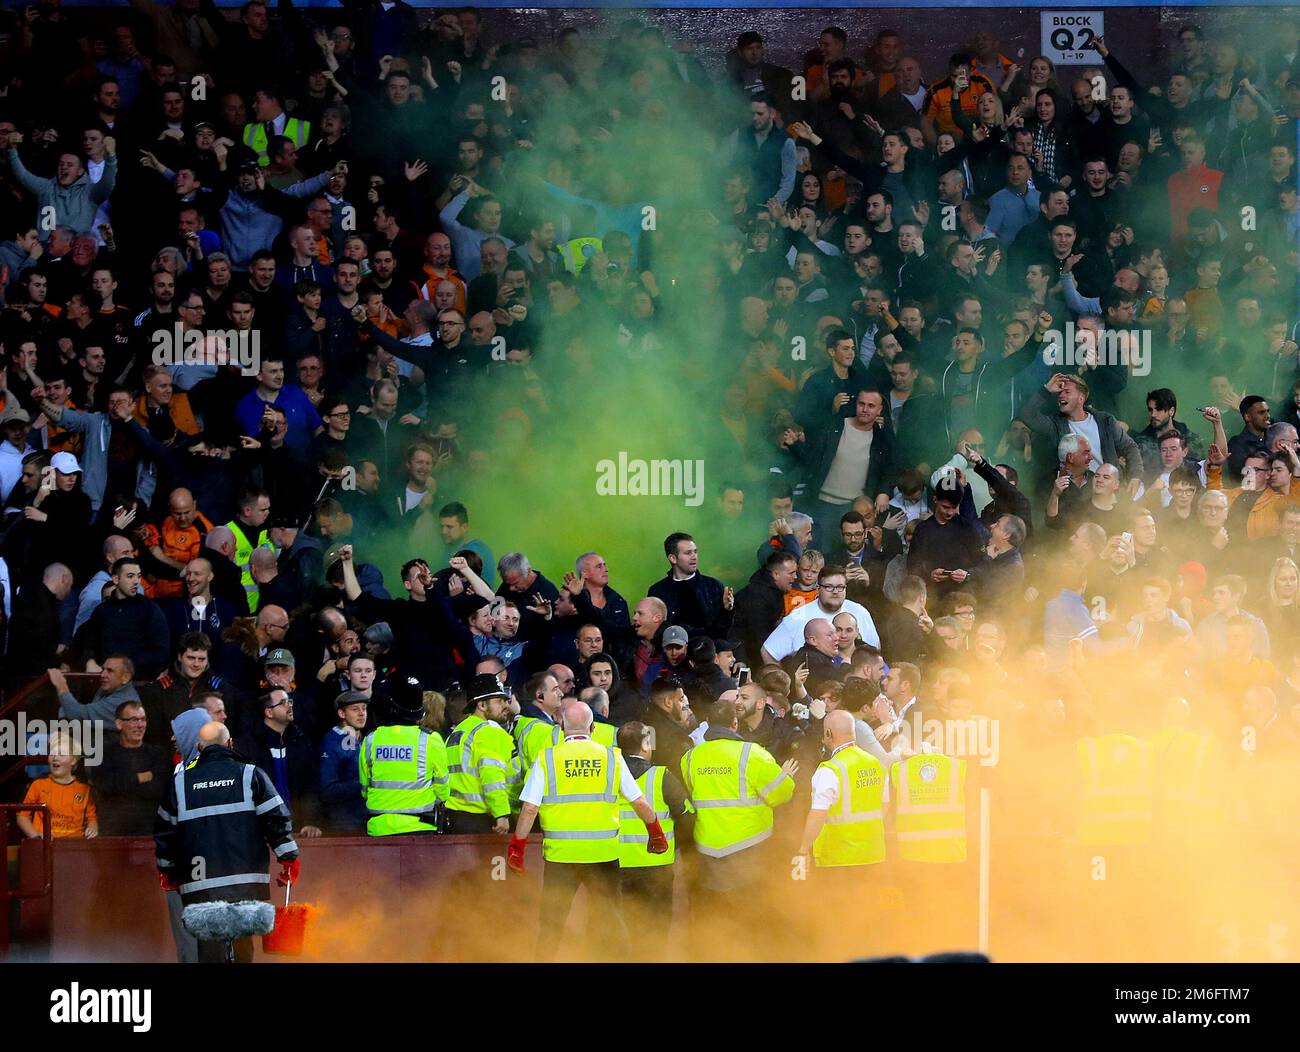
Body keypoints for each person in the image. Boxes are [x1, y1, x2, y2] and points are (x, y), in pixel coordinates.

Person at [507, 700, 666, 961]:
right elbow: (639, 801)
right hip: (603, 855)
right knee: (611, 921)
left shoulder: (548, 758)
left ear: (560, 727)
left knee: (552, 926)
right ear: (593, 728)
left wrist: (517, 848)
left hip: (561, 858)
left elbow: (529, 809)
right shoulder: (612, 757)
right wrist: (656, 833)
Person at [155, 721, 300, 964]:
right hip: (245, 880)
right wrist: (288, 858)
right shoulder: (250, 774)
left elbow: (164, 833)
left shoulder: (179, 783)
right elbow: (277, 818)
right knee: (243, 947)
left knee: (209, 950)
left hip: (200, 884)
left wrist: (167, 871)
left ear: (199, 747)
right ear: (230, 744)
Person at [680, 695, 797, 956]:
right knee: (752, 916)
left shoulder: (689, 758)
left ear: (709, 724)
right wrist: (785, 776)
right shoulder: (753, 754)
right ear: (735, 723)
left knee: (716, 919)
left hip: (708, 849)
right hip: (749, 849)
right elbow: (780, 794)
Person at [358, 678, 448, 836]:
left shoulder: (371, 739)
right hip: (420, 828)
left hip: (379, 828)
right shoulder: (431, 739)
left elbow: (365, 789)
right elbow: (443, 790)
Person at [442, 674, 516, 835]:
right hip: (480, 821)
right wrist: (502, 813)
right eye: (499, 700)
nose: (506, 705)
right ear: (482, 705)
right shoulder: (488, 731)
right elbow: (492, 776)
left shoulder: (459, 731)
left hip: (454, 818)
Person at [88, 700, 171, 836]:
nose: (140, 725)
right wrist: (141, 777)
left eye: (143, 720)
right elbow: (106, 786)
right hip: (112, 833)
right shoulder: (104, 754)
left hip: (149, 833)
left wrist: (123, 783)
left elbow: (158, 790)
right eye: (133, 720)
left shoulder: (158, 754)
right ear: (119, 724)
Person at [17, 742, 97, 840]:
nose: (55, 758)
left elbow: (92, 818)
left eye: (61, 754)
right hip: (44, 846)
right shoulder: (38, 784)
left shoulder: (84, 788)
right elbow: (22, 816)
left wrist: (93, 826)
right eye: (52, 753)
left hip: (75, 846)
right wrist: (36, 836)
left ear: (74, 760)